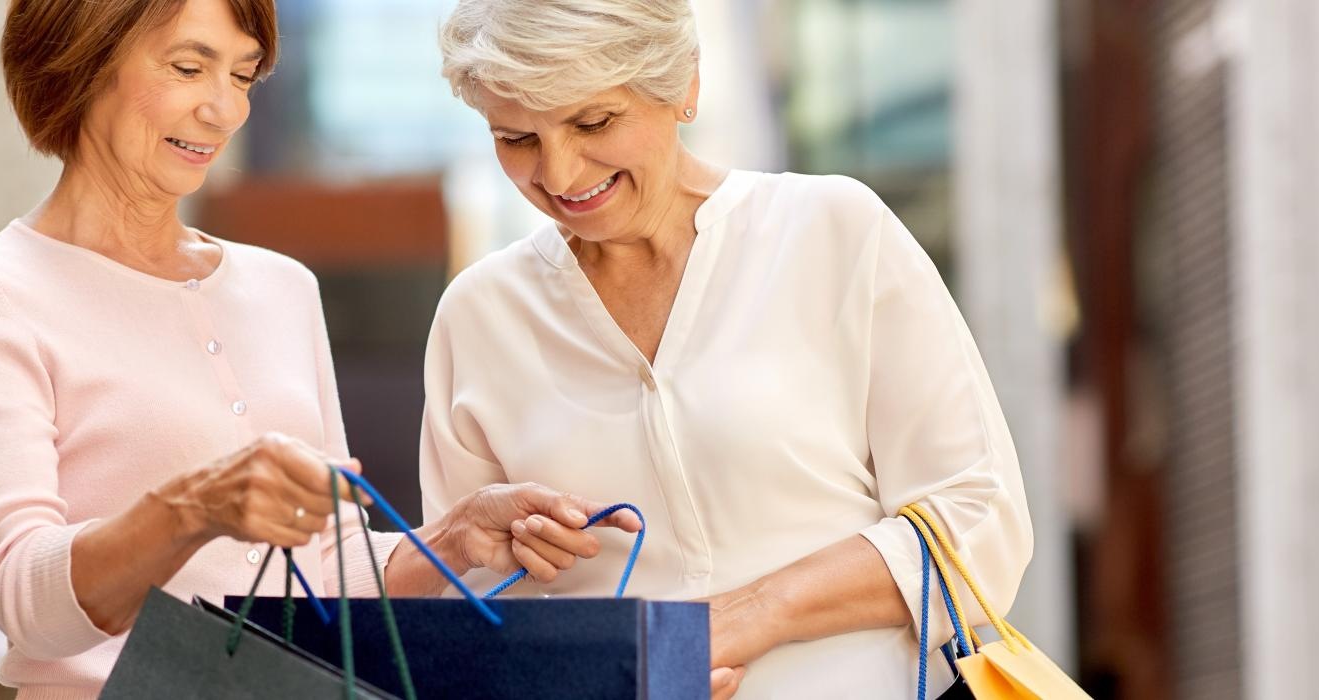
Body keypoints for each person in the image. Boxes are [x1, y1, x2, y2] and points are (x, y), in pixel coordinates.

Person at [0, 1, 638, 696]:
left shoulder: (283, 287)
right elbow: (23, 602)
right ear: (81, 60)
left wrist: (453, 538)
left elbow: (327, 577)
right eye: (188, 67)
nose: (225, 111)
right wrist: (191, 509)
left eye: (241, 76)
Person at [424, 1, 1034, 697]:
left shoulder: (833, 232)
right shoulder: (478, 315)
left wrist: (741, 618)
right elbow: (461, 617)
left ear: (684, 83)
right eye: (517, 139)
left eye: (593, 122)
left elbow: (978, 525)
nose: (559, 175)